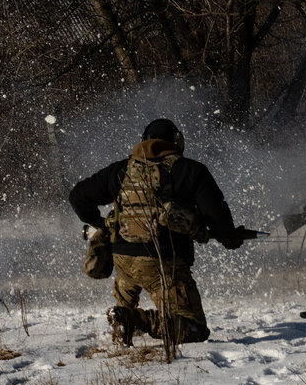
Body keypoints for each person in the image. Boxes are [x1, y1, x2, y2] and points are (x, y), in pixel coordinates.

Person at [69, 118, 246, 346]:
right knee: (194, 329)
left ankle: (122, 316)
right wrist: (230, 238)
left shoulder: (120, 171)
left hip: (123, 260)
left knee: (130, 277)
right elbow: (217, 218)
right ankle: (135, 320)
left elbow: (77, 197)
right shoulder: (190, 170)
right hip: (163, 262)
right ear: (177, 142)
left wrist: (103, 225)